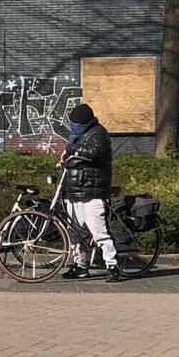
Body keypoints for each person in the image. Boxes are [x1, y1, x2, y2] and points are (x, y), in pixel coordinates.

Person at [58, 103, 121, 283]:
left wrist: (70, 150)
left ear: (83, 123)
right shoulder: (79, 136)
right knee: (75, 231)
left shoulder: (98, 133)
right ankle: (80, 265)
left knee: (99, 231)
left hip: (92, 191)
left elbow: (93, 152)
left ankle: (112, 265)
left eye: (74, 124)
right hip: (74, 191)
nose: (72, 127)